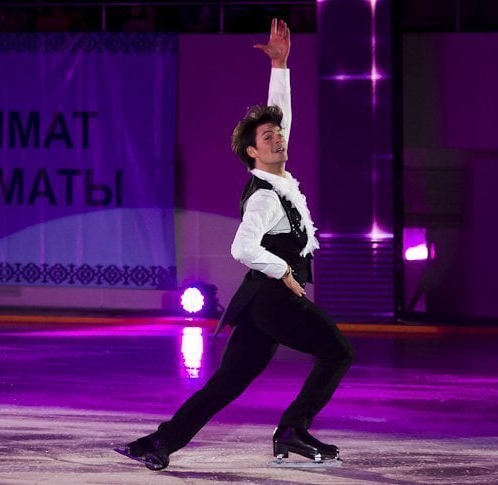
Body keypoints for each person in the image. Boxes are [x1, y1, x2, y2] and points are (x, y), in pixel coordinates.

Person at [115, 18, 354, 470]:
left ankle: (158, 443)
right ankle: (293, 429)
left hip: (258, 302)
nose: (279, 137)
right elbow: (242, 248)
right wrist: (283, 271)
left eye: (279, 135)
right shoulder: (265, 194)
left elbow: (278, 113)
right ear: (252, 152)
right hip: (273, 297)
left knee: (228, 382)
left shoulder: (278, 180)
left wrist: (281, 65)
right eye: (269, 138)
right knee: (338, 351)